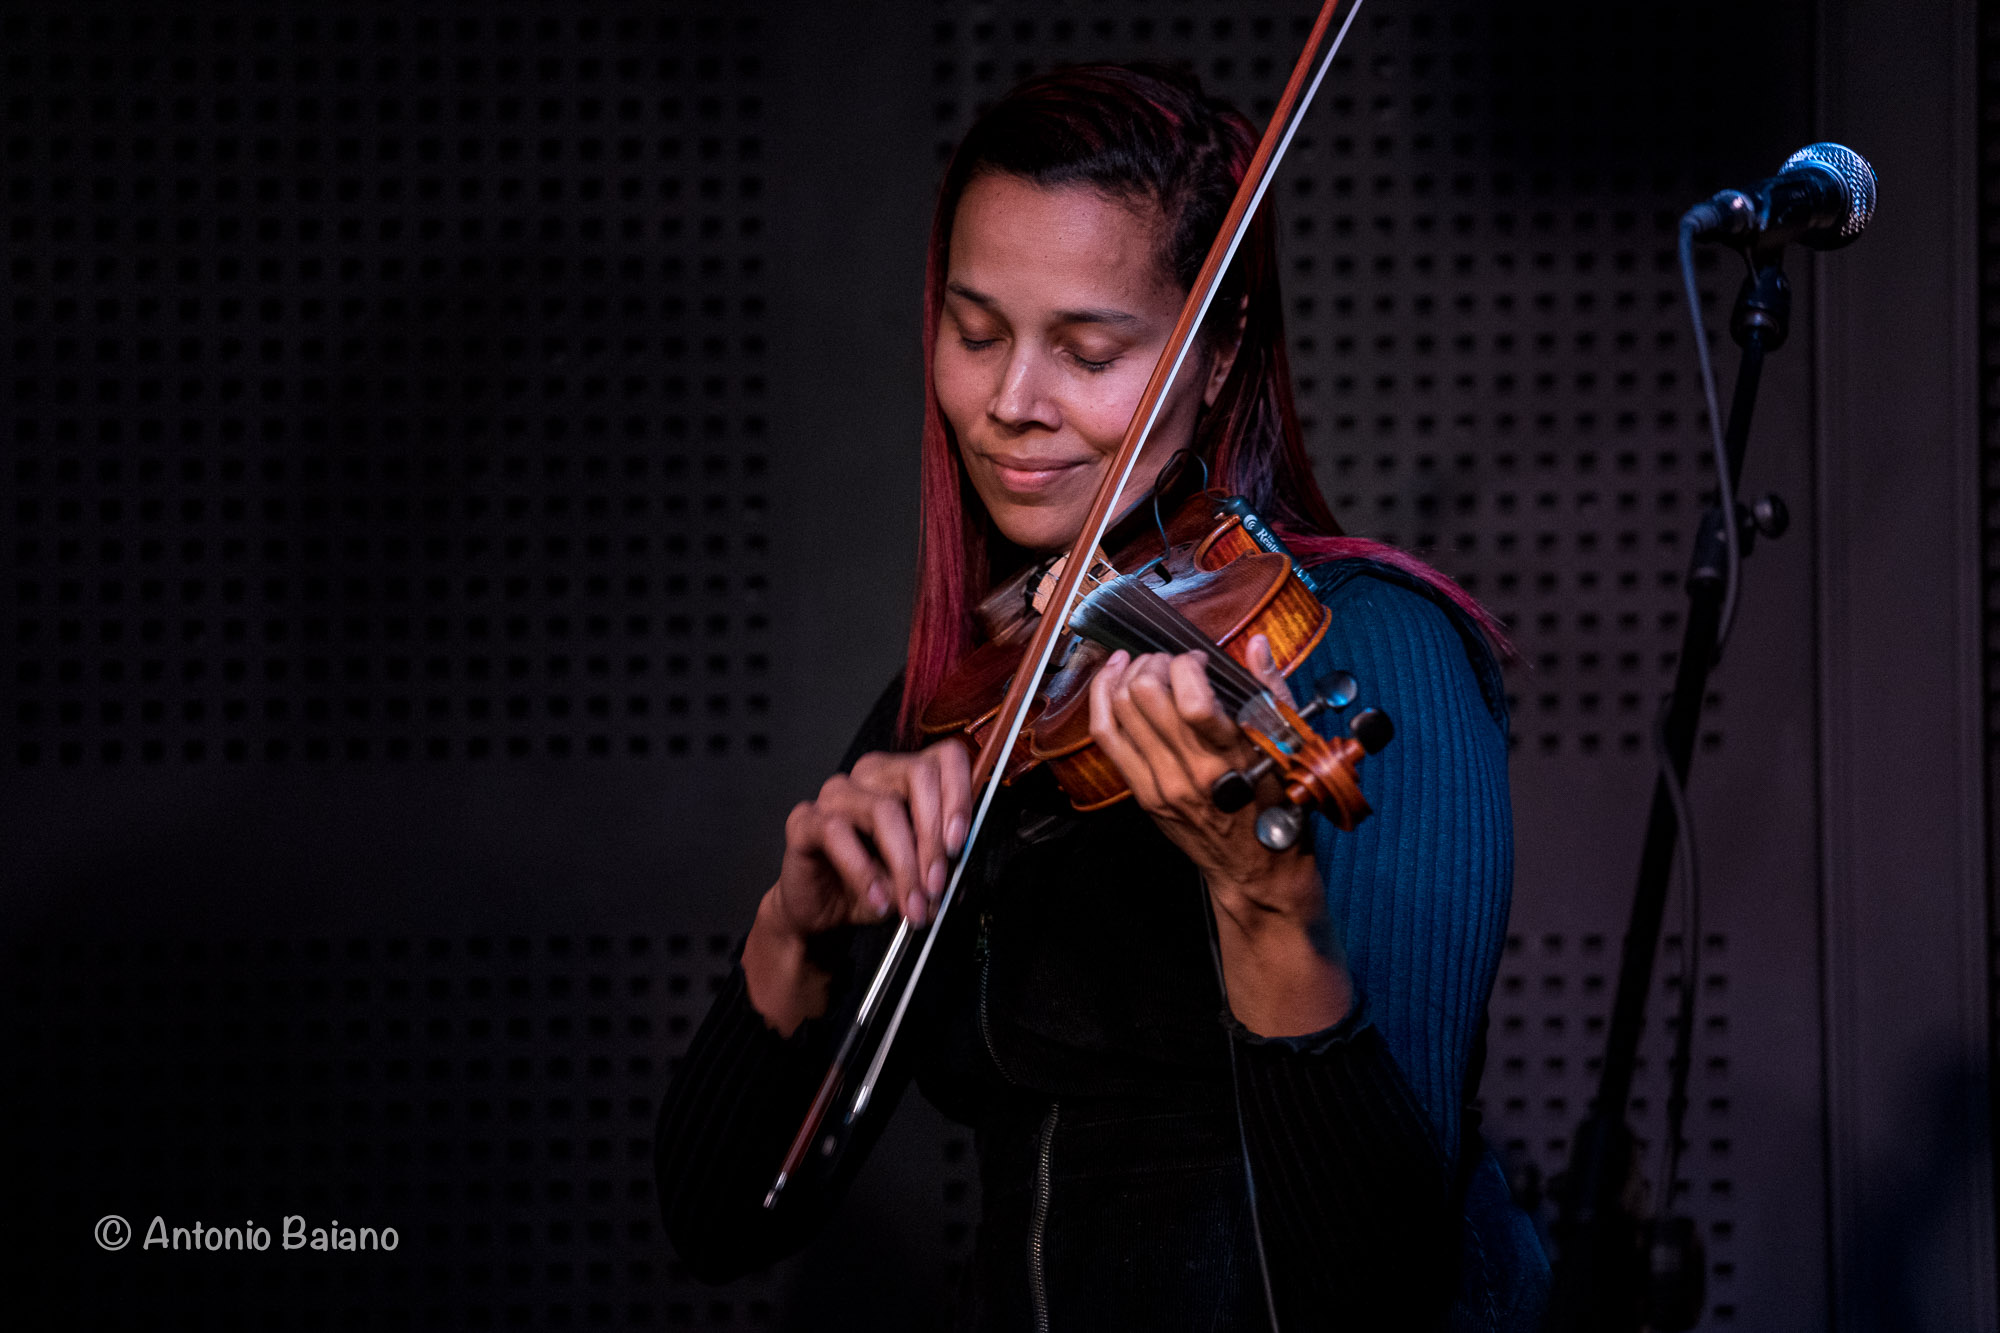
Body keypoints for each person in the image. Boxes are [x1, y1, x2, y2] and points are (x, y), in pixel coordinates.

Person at [654, 63, 1548, 1332]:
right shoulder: (973, 698)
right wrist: (795, 934)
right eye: (974, 333)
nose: (1012, 404)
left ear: (1218, 341)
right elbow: (719, 1217)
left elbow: (1379, 1291)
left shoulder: (1367, 652)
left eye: (1086, 349)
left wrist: (1261, 908)